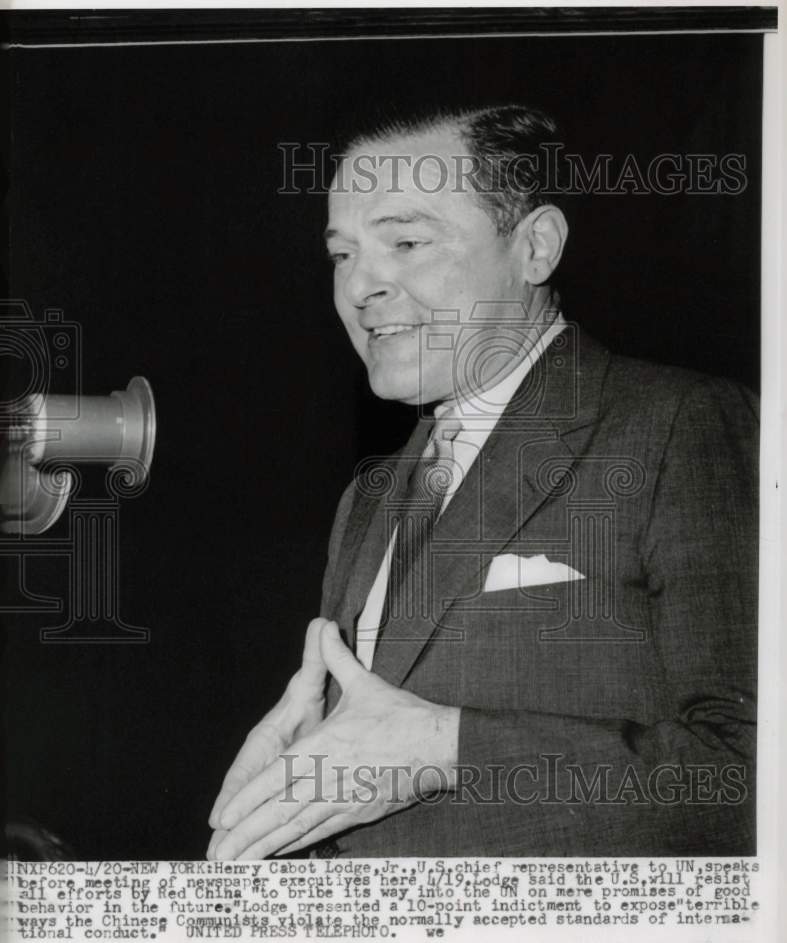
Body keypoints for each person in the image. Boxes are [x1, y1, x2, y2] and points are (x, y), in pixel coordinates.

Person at [207, 105, 758, 859]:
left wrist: (442, 748)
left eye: (405, 241)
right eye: (341, 255)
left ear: (533, 247)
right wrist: (294, 784)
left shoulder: (681, 424)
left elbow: (751, 777)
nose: (361, 285)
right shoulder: (367, 500)